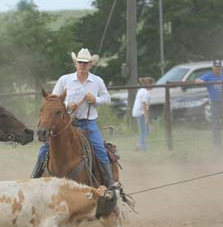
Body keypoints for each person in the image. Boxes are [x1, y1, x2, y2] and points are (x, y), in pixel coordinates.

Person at [31, 48, 114, 186]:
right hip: (68, 124)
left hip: (89, 123)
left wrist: (95, 100)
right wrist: (67, 106)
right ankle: (34, 180)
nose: (82, 65)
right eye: (80, 62)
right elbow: (53, 100)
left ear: (90, 64)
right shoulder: (65, 80)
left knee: (100, 149)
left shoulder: (97, 81)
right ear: (76, 63)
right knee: (44, 150)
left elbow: (107, 99)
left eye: (85, 62)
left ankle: (110, 184)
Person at [195, 58, 223, 147]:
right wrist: (203, 81)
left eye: (219, 67)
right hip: (215, 104)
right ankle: (217, 145)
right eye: (216, 67)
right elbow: (197, 80)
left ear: (221, 67)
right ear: (213, 67)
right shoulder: (209, 76)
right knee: (215, 125)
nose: (218, 69)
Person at [132, 77, 154, 151]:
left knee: (146, 131)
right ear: (149, 84)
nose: (153, 86)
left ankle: (140, 144)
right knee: (144, 131)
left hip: (138, 112)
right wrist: (146, 117)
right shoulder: (145, 92)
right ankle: (142, 147)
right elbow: (144, 105)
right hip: (140, 113)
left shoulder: (142, 90)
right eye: (152, 84)